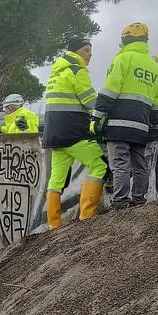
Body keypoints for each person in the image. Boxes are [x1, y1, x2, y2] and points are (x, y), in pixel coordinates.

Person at [93, 22, 158, 209]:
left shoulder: (122, 59)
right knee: (140, 165)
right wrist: (153, 122)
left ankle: (120, 203)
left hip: (118, 125)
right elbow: (157, 105)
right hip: (141, 127)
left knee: (120, 164)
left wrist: (96, 117)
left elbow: (109, 91)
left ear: (124, 40)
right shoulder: (155, 68)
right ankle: (139, 200)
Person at [42, 38, 107, 229]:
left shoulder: (56, 72)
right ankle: (86, 217)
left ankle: (54, 226)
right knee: (101, 166)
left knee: (56, 181)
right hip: (74, 132)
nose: (90, 55)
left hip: (54, 134)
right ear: (76, 52)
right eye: (87, 50)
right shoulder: (78, 71)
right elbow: (91, 103)